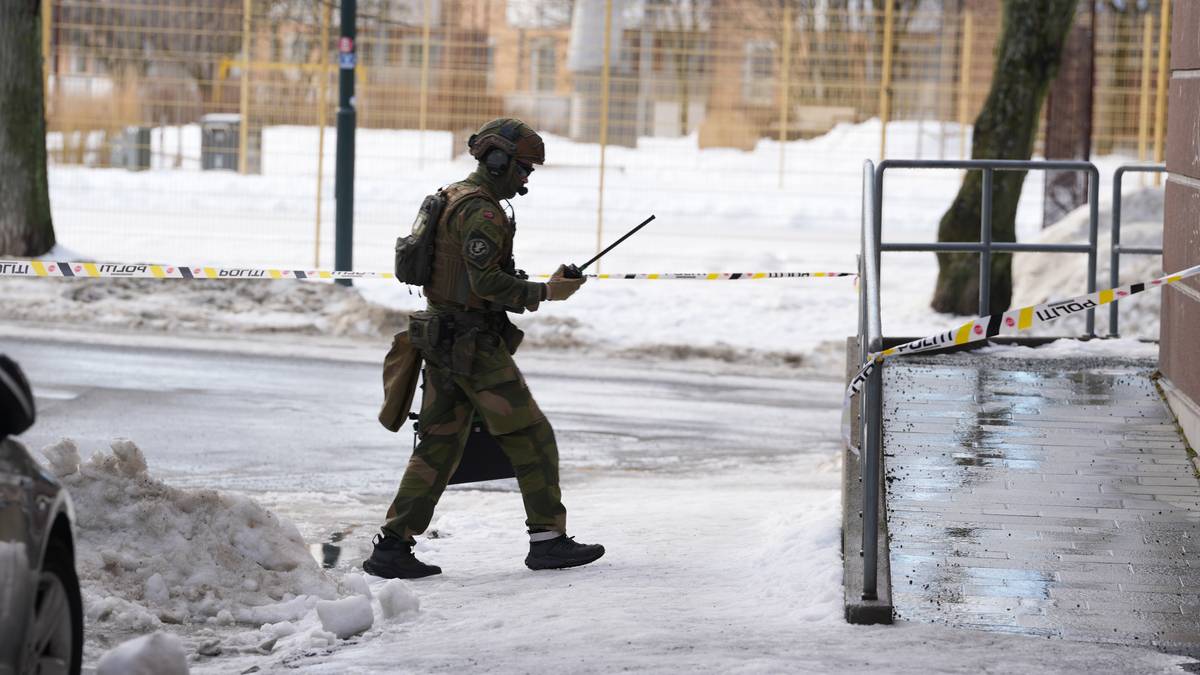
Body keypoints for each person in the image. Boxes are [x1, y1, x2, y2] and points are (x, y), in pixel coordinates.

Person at [364, 118, 605, 579]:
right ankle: (548, 541)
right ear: (497, 160)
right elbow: (486, 282)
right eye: (523, 167)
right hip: (471, 344)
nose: (526, 177)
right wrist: (547, 292)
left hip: (443, 337)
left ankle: (392, 548)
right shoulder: (484, 211)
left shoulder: (452, 194)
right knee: (532, 437)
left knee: (438, 445)